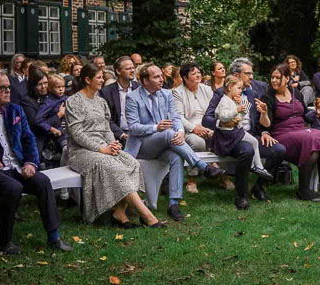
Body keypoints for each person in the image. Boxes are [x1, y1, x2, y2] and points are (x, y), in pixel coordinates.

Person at [0, 70, 71, 254]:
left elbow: (28, 139)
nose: (8, 91)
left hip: (18, 165)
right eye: (2, 88)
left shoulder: (15, 110)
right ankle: (3, 242)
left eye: (8, 87)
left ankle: (54, 236)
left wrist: (31, 163)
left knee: (43, 182)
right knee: (13, 188)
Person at [64, 63, 165, 228]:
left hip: (104, 147)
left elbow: (106, 128)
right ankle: (147, 215)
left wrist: (113, 144)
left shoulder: (101, 102)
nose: (102, 80)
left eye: (102, 77)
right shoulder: (74, 101)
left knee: (131, 162)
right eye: (99, 77)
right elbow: (77, 133)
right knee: (111, 165)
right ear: (87, 80)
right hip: (81, 151)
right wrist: (101, 149)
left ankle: (119, 212)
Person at [124, 64, 225, 221]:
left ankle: (173, 204)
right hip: (142, 146)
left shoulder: (166, 94)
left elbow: (176, 117)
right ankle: (202, 166)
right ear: (145, 81)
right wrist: (156, 127)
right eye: (156, 77)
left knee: (176, 157)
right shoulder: (133, 97)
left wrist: (180, 132)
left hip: (165, 142)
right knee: (167, 133)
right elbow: (133, 127)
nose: (161, 79)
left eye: (161, 75)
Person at [203, 58, 284, 203]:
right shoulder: (222, 93)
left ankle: (258, 187)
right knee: (247, 150)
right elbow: (206, 119)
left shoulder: (252, 94)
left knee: (278, 150)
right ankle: (241, 196)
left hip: (249, 134)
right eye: (247, 73)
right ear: (236, 75)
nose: (251, 77)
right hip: (230, 137)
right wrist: (222, 122)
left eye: (252, 73)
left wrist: (264, 128)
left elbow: (260, 122)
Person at [260, 64, 320, 202]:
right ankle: (303, 189)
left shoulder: (296, 93)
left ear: (287, 78)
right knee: (310, 140)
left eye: (278, 78)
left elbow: (305, 115)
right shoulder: (268, 97)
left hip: (300, 129)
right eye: (272, 77)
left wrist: (317, 115)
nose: (274, 80)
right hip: (281, 133)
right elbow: (266, 123)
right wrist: (264, 125)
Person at [215, 77, 274, 180]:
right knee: (253, 142)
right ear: (230, 87)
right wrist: (236, 110)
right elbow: (223, 116)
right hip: (228, 134)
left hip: (236, 130)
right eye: (238, 88)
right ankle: (256, 167)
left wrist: (241, 108)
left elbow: (239, 116)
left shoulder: (232, 100)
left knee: (254, 141)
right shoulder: (224, 101)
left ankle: (258, 166)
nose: (240, 91)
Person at [172, 63, 216, 193]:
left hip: (207, 126)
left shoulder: (207, 89)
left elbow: (214, 111)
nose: (198, 75)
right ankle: (192, 179)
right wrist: (194, 129)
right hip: (188, 129)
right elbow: (179, 117)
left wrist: (208, 128)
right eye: (193, 73)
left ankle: (222, 175)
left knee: (222, 137)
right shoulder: (177, 92)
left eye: (198, 72)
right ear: (185, 78)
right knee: (197, 143)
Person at [100, 56, 139, 144]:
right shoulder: (106, 92)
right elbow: (106, 118)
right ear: (118, 71)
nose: (132, 71)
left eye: (133, 68)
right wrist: (121, 134)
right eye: (128, 68)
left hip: (138, 132)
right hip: (118, 135)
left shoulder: (139, 88)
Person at [33, 74, 69, 165]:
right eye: (58, 87)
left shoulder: (65, 98)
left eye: (63, 87)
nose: (61, 89)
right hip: (56, 133)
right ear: (51, 88)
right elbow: (38, 120)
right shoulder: (48, 102)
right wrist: (50, 128)